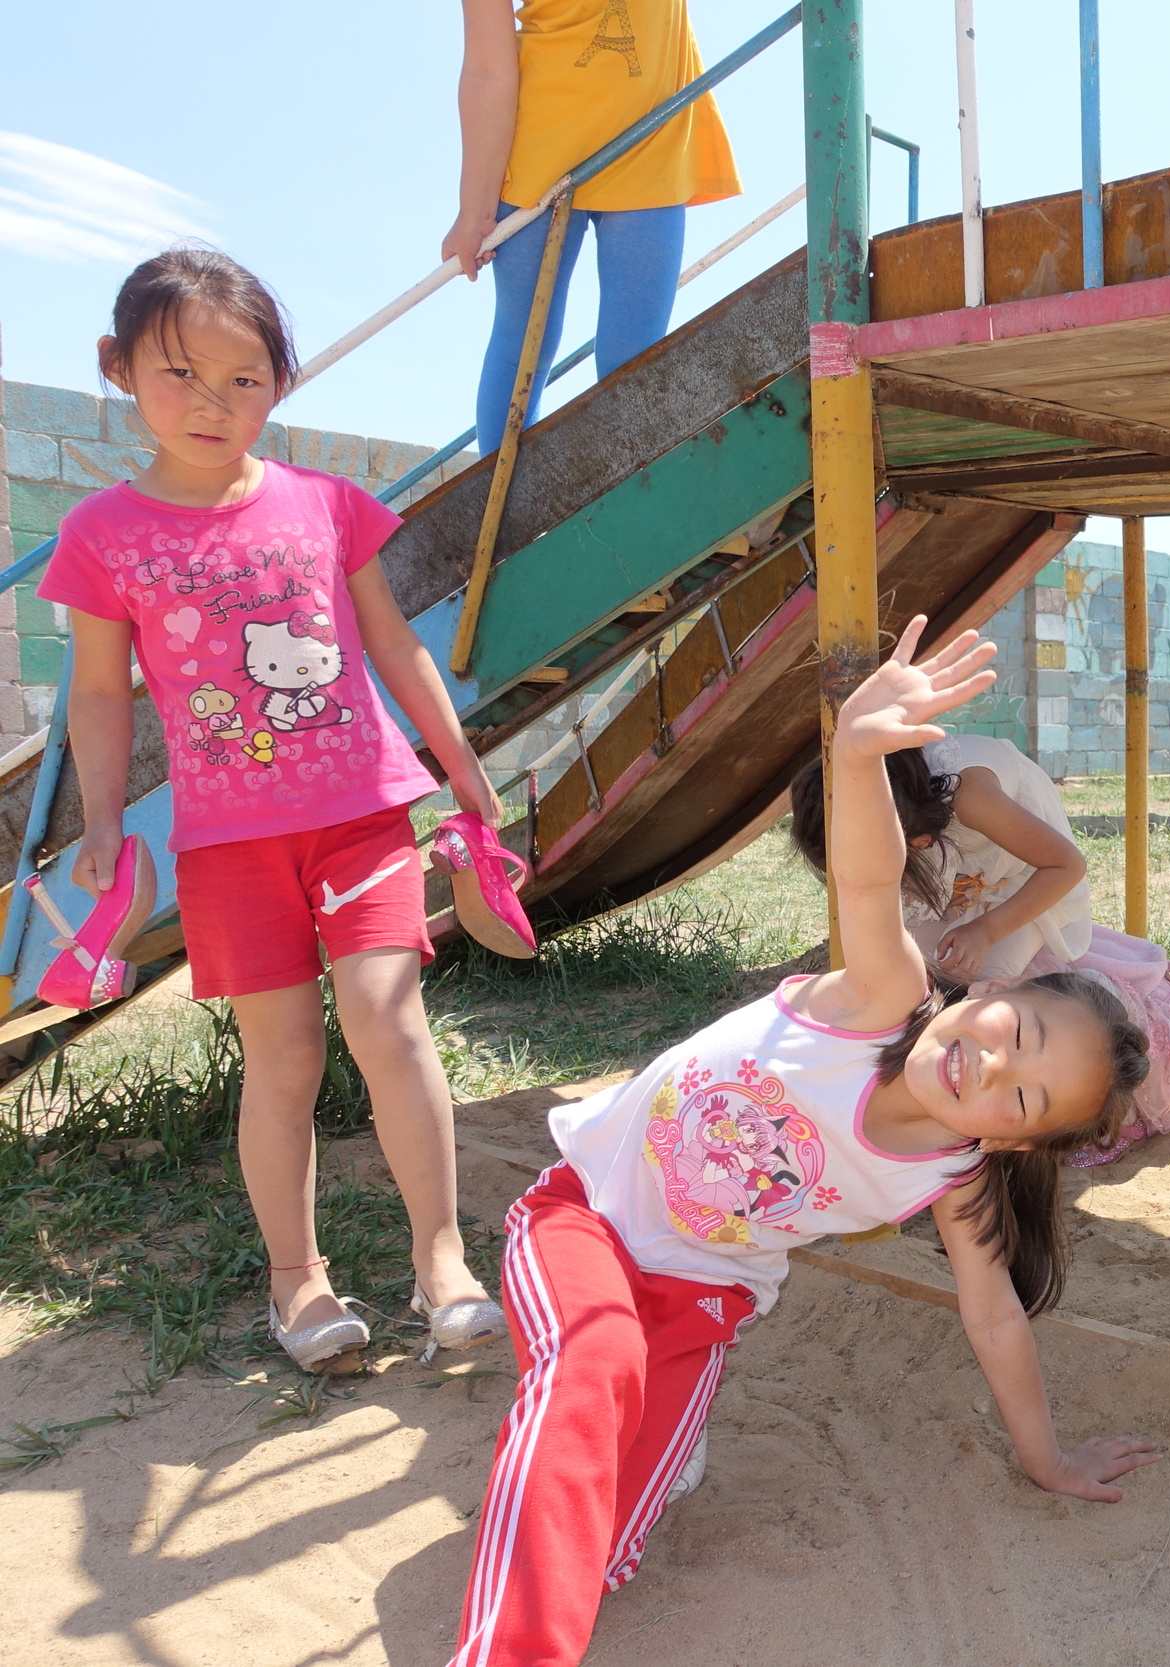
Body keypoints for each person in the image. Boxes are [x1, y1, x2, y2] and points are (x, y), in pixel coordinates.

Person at [444, 620, 1160, 1667]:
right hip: (584, 1216)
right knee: (588, 1365)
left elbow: (993, 1314)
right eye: (1021, 1035)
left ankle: (623, 1441)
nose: (995, 1068)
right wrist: (862, 748)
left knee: (604, 1541)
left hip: (701, 1298)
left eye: (1025, 1098)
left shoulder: (950, 1174)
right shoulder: (879, 997)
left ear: (1013, 1147)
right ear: (996, 988)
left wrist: (1045, 1457)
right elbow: (870, 885)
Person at [44, 249, 506, 1371]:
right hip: (226, 845)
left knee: (389, 1021)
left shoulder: (330, 507)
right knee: (285, 1056)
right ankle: (297, 1283)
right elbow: (100, 694)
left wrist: (462, 765)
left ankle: (440, 1256)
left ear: (281, 384)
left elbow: (395, 644)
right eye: (179, 374)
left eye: (243, 379)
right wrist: (103, 825)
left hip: (361, 818)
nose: (212, 403)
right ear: (118, 371)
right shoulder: (102, 536)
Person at [788, 734, 1170, 1166]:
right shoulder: (880, 814)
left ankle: (960, 1112)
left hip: (1028, 878)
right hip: (965, 875)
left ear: (915, 844)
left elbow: (1066, 865)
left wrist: (985, 929)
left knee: (975, 980)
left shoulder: (968, 794)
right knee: (920, 976)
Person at [444, 0, 742, 453]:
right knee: (523, 345)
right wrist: (474, 209)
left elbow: (488, 71)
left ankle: (628, 506)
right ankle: (506, 516)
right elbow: (487, 69)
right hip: (548, 151)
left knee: (633, 355)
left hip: (648, 141)